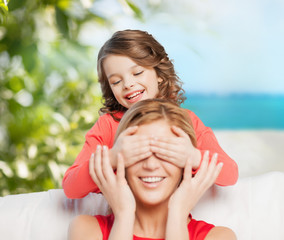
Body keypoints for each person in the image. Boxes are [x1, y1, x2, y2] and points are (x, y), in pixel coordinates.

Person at [62, 29, 238, 199]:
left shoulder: (186, 120)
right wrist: (113, 157)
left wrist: (193, 157)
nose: (128, 84)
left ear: (159, 74)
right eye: (116, 81)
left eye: (137, 72)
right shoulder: (108, 125)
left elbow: (230, 174)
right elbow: (71, 188)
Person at [68, 99, 237, 240]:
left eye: (165, 153)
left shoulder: (219, 236)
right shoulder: (86, 229)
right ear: (121, 163)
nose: (151, 165)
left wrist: (177, 215)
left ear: (186, 164)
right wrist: (124, 215)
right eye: (139, 153)